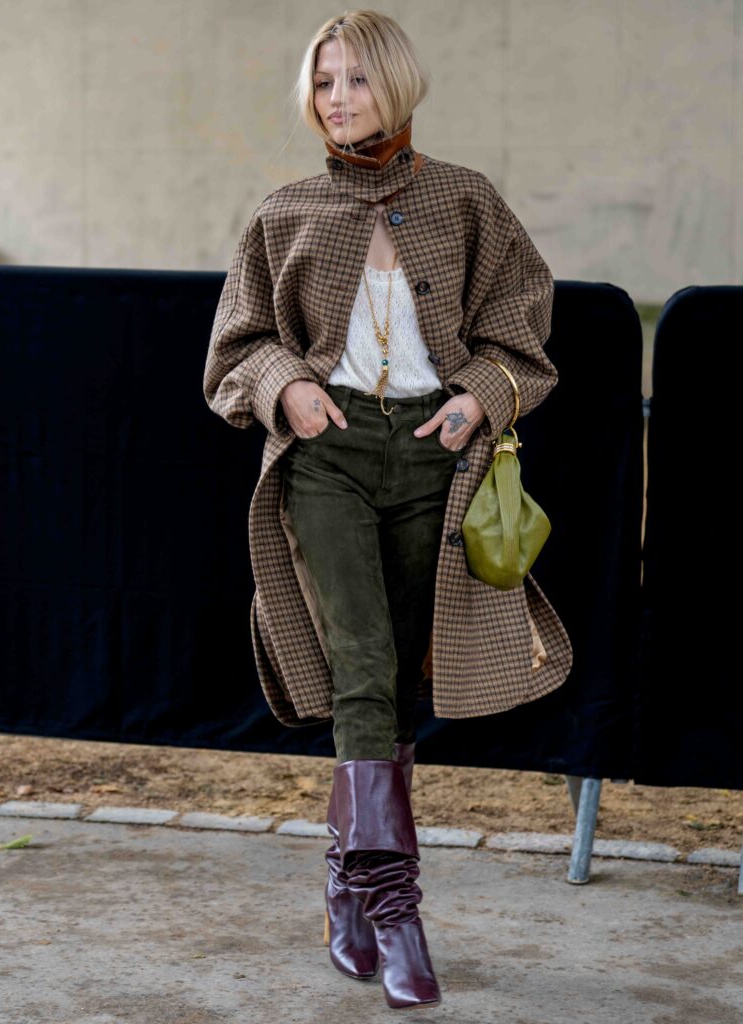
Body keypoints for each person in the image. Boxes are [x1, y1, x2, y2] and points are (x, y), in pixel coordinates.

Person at [203, 9, 572, 1011]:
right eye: (323, 83)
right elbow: (234, 351)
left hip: (432, 454)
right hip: (326, 455)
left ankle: (343, 881)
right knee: (360, 662)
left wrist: (476, 402)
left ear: (397, 85)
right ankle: (394, 902)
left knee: (402, 679)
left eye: (355, 81)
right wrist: (288, 386)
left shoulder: (466, 201)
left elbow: (522, 338)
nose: (337, 99)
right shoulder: (283, 212)